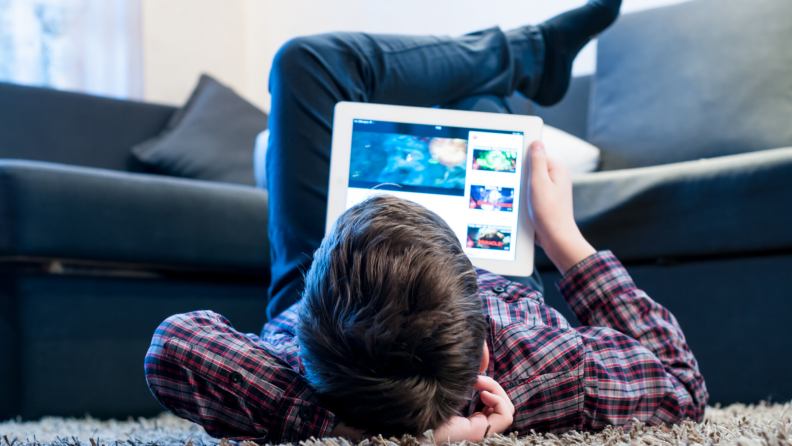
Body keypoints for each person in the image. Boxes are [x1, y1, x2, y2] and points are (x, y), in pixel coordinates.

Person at [144, 1, 708, 443]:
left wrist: (348, 431)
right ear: (486, 358)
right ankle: (528, 55)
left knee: (303, 64)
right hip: (482, 288)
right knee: (484, 106)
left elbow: (175, 346)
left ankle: (530, 53)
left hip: (327, 316)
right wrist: (565, 239)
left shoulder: (292, 363)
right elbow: (682, 387)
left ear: (305, 345)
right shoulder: (543, 362)